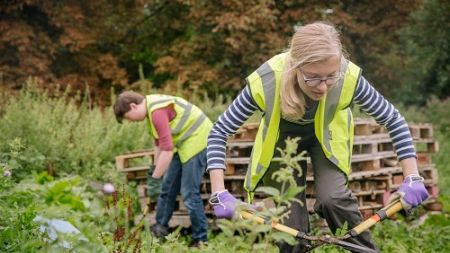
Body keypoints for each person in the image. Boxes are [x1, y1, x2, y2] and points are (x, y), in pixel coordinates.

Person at [206, 21, 429, 253]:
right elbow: (219, 130)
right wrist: (219, 191)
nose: (323, 87)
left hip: (326, 139)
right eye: (313, 78)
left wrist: (412, 176)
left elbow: (393, 119)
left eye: (330, 77)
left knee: (334, 199)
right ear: (295, 67)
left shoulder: (347, 76)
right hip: (283, 145)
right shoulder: (268, 80)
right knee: (288, 220)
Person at [114, 91, 211, 247]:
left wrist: (155, 178)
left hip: (199, 139)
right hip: (184, 143)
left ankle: (201, 239)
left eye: (127, 117)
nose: (130, 121)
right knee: (167, 187)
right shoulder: (151, 111)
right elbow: (159, 145)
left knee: (189, 193)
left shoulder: (157, 112)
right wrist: (155, 170)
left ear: (133, 106)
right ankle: (160, 228)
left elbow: (167, 150)